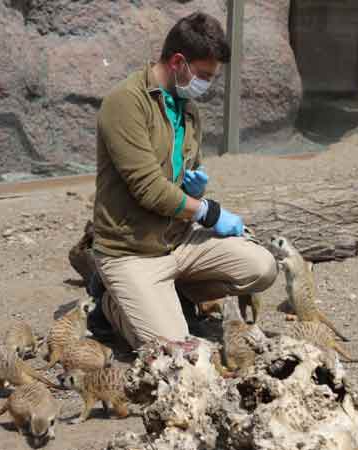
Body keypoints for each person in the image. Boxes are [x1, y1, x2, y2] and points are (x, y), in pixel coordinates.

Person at [90, 11, 278, 350]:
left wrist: (194, 190)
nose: (207, 83)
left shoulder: (188, 110)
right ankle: (111, 305)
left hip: (178, 240)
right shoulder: (125, 103)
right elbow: (148, 188)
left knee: (262, 267)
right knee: (176, 351)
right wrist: (208, 211)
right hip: (131, 250)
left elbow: (183, 174)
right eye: (204, 74)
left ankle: (172, 294)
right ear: (178, 61)